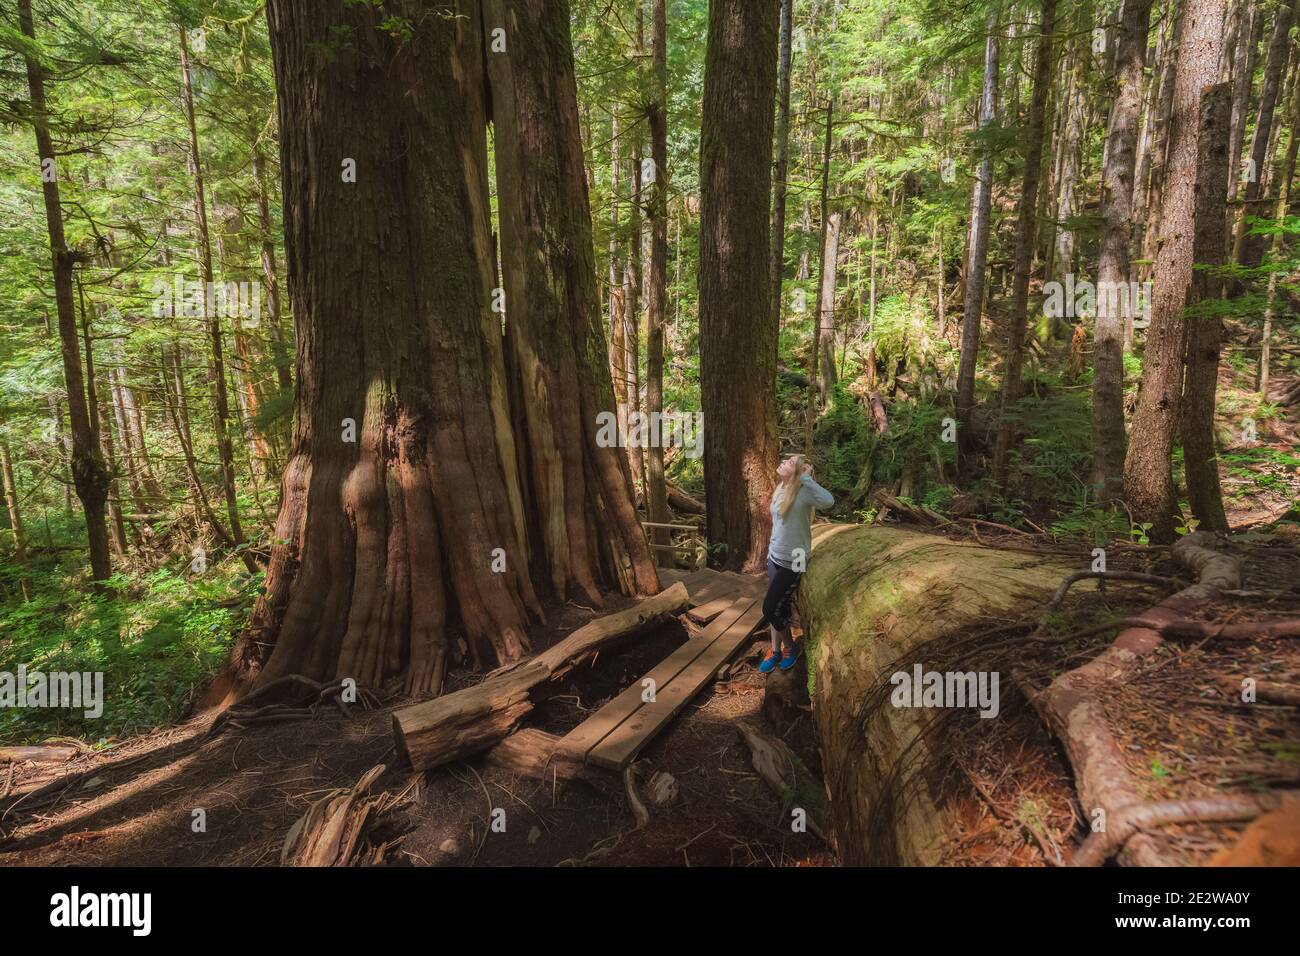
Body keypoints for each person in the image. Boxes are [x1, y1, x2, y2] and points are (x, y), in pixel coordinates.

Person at [759, 454, 833, 673]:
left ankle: (791, 648)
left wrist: (807, 479)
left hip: (796, 560)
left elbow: (829, 501)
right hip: (775, 557)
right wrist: (770, 553)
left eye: (790, 463)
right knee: (778, 607)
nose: (783, 462)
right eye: (785, 460)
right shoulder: (781, 487)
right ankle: (775, 649)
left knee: (770, 608)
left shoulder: (803, 493)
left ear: (798, 471)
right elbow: (779, 526)